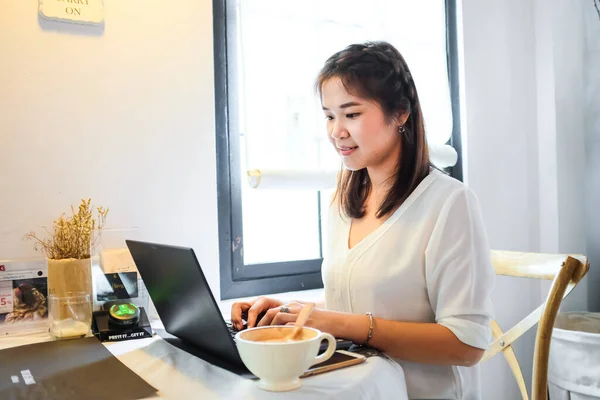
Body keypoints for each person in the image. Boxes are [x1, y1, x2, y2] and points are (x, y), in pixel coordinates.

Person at [231, 41, 495, 400]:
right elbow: (359, 302)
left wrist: (336, 324)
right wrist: (293, 313)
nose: (336, 131)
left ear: (400, 113)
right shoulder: (342, 200)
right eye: (328, 115)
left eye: (351, 114)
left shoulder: (450, 203)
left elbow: (467, 345)